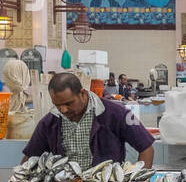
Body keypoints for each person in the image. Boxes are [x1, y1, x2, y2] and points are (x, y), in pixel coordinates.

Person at [23, 72, 155, 169]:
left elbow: (146, 148)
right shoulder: (50, 122)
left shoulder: (116, 113)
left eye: (68, 103)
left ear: (82, 94)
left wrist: (140, 181)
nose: (63, 110)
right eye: (57, 105)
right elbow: (30, 158)